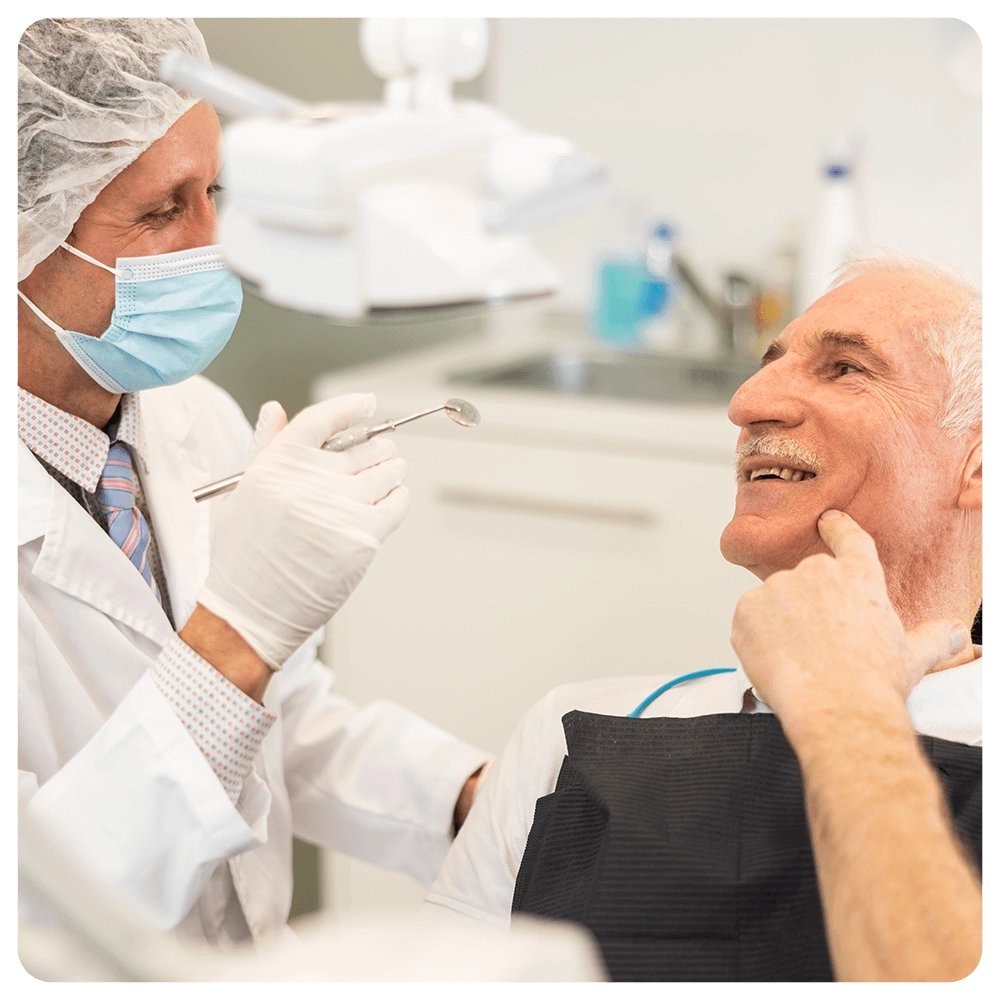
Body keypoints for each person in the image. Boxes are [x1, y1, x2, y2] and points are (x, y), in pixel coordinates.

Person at [16, 17, 489, 944]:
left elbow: (277, 722)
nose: (214, 241)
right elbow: (40, 913)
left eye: (215, 192)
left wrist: (472, 798)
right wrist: (240, 633)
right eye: (163, 211)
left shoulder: (189, 415)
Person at [423, 255, 984, 983]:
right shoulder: (571, 730)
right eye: (768, 364)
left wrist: (847, 703)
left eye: (845, 368)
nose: (748, 401)